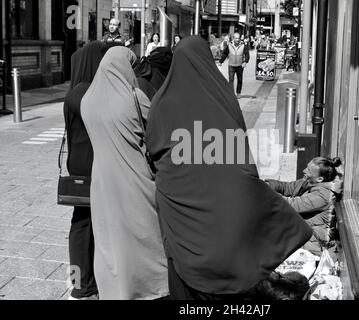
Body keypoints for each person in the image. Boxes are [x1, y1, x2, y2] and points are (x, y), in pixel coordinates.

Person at [145, 35, 312, 300]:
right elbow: (239, 153)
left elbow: (153, 151)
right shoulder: (222, 95)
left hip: (180, 208)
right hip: (226, 209)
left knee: (182, 272)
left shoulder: (162, 102)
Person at [80, 46, 169, 300]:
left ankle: (113, 290)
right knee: (142, 235)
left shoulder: (88, 100)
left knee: (109, 239)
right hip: (134, 178)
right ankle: (149, 288)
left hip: (102, 181)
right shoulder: (134, 98)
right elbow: (156, 132)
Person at [63, 41, 108, 301]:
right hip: (90, 167)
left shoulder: (76, 90)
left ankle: (85, 283)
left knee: (85, 224)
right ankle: (81, 285)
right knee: (83, 226)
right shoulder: (83, 92)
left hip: (82, 163)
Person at [266, 157, 344, 256]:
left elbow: (292, 205)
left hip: (314, 241)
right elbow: (288, 187)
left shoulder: (323, 195)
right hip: (302, 230)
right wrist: (267, 185)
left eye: (309, 170)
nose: (304, 170)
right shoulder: (310, 181)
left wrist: (265, 194)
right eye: (307, 167)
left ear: (320, 179)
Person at [218, 32, 250, 99]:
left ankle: (238, 93)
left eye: (238, 38)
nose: (237, 40)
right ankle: (231, 94)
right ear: (233, 38)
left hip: (240, 66)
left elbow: (247, 55)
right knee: (231, 80)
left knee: (240, 80)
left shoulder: (243, 46)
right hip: (231, 66)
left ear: (240, 38)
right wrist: (221, 61)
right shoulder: (229, 45)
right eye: (236, 38)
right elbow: (225, 54)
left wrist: (245, 62)